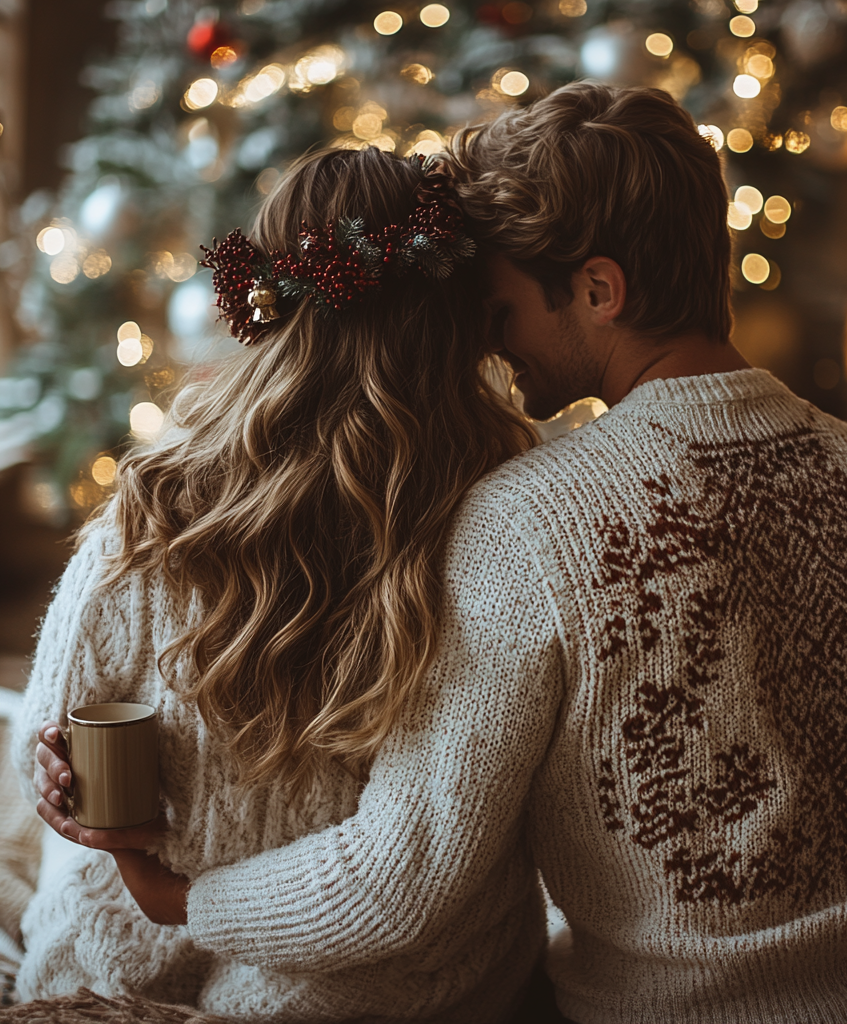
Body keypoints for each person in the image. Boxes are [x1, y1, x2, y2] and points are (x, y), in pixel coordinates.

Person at [33, 82, 847, 1024]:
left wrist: (175, 899)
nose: (491, 353)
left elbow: (397, 880)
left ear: (598, 289)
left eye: (499, 315)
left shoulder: (534, 523)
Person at [17, 146, 538, 1021]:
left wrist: (54, 778)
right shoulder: (510, 514)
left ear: (258, 305)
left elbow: (56, 724)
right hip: (383, 987)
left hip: (119, 962)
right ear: (461, 308)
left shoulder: (158, 504)